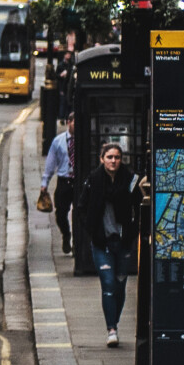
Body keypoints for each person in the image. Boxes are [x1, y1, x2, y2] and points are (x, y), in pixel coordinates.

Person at [76, 143, 139, 347]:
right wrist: (92, 231)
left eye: (117, 157)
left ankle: (114, 319)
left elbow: (139, 208)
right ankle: (111, 329)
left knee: (120, 286)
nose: (113, 161)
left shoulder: (130, 181)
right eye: (110, 157)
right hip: (101, 243)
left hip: (123, 243)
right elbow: (82, 209)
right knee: (109, 284)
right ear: (102, 159)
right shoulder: (93, 181)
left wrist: (133, 231)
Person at [40, 114, 76, 254]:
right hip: (64, 181)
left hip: (79, 182)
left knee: (79, 214)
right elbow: (50, 163)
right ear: (68, 122)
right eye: (74, 123)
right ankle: (66, 235)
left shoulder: (84, 139)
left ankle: (77, 245)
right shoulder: (58, 141)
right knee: (61, 214)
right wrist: (44, 183)